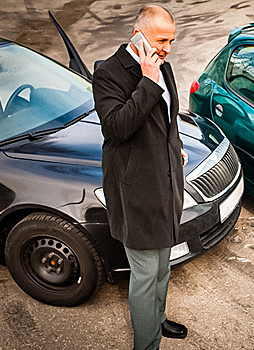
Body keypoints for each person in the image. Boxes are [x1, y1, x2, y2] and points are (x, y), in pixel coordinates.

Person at [92, 4, 188, 350]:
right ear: (139, 35)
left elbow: (169, 117)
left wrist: (172, 147)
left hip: (165, 184)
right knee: (146, 276)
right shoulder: (108, 74)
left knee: (163, 267)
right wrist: (147, 80)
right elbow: (118, 127)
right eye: (161, 40)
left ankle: (157, 320)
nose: (167, 48)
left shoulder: (165, 66)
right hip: (136, 193)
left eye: (172, 41)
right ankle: (146, 344)